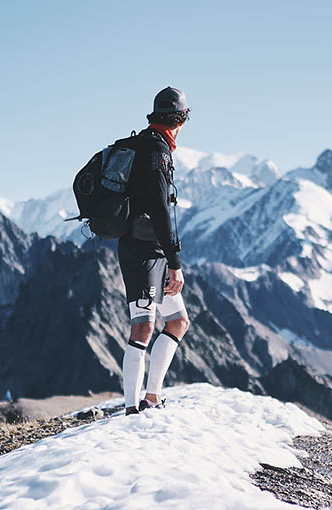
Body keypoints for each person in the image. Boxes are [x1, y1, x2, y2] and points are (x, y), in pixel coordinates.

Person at [120, 86, 191, 416]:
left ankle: (151, 398)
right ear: (179, 119)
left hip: (151, 249)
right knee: (144, 327)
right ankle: (131, 409)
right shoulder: (156, 153)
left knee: (178, 321)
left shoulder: (150, 145)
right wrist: (175, 263)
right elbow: (161, 212)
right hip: (143, 253)